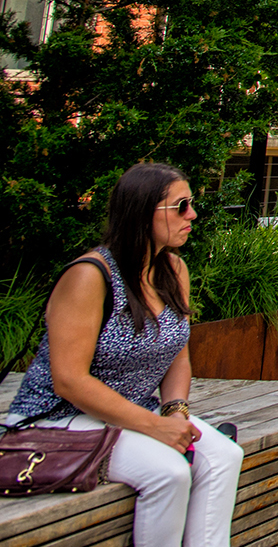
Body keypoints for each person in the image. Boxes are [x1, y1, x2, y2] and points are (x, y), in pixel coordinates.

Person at [5, 162, 244, 547]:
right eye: (180, 206)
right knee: (168, 472)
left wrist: (175, 412)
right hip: (58, 418)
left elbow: (177, 356)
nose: (192, 215)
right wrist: (154, 427)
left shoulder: (173, 269)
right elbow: (69, 380)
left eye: (191, 203)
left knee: (224, 457)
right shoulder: (90, 276)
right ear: (142, 211)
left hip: (131, 412)